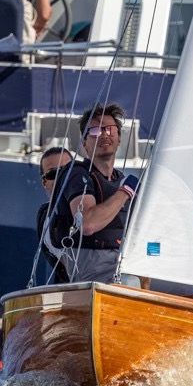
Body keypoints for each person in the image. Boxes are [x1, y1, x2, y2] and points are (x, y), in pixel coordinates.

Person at [53, 102, 139, 284]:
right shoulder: (77, 174)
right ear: (84, 142)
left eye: (109, 129)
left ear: (119, 137)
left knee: (186, 286)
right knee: (132, 284)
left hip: (123, 263)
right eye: (95, 131)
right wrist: (124, 192)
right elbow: (87, 224)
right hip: (91, 272)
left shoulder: (120, 180)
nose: (104, 134)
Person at [33, 145, 73, 284]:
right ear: (44, 182)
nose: (62, 177)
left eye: (68, 170)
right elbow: (76, 268)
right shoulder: (48, 219)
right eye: (53, 174)